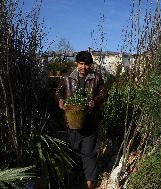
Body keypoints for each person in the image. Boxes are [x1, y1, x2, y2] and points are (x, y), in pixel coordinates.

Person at [55, 51, 107, 189]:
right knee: (74, 150)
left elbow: (103, 94)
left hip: (90, 123)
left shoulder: (96, 77)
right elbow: (58, 91)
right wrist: (60, 100)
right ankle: (75, 181)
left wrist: (94, 101)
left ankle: (90, 184)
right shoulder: (67, 78)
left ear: (90, 65)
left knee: (89, 154)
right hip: (72, 123)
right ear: (76, 63)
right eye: (81, 64)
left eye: (87, 64)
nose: (84, 67)